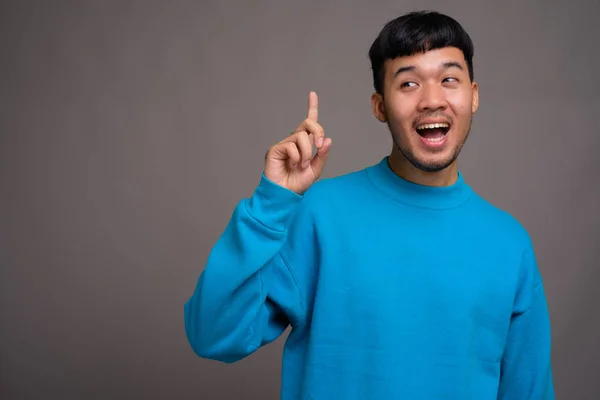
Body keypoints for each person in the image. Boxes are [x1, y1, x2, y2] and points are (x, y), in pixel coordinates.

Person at [184, 10, 555, 399]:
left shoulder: (509, 244)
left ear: (473, 96)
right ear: (379, 107)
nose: (432, 100)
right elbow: (212, 335)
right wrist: (271, 202)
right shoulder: (319, 217)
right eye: (408, 82)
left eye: (449, 79)